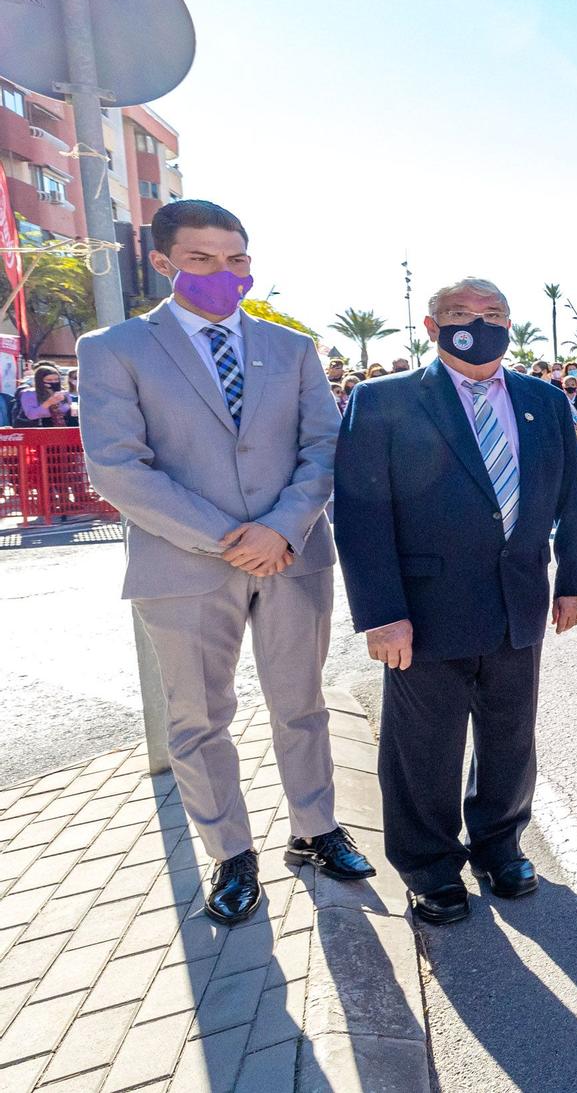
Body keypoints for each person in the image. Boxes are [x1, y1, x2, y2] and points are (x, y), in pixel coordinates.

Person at [77, 199, 373, 925]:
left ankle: (315, 829)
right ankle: (231, 853)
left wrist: (280, 529)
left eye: (235, 258)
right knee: (198, 718)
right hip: (182, 567)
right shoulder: (114, 348)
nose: (223, 272)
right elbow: (117, 466)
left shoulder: (292, 348)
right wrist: (230, 537)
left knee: (300, 703)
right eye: (201, 258)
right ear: (163, 261)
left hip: (292, 555)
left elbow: (324, 448)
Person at [332, 278, 577, 924]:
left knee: (510, 737)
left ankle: (499, 844)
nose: (479, 324)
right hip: (423, 616)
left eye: (494, 314)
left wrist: (576, 580)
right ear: (430, 326)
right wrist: (381, 612)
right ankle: (429, 867)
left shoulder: (543, 401)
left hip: (518, 604)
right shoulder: (383, 401)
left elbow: (572, 497)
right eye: (461, 314)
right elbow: (360, 515)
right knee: (424, 746)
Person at [15, 362, 77, 426]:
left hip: (61, 428)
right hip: (38, 429)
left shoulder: (63, 393)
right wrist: (48, 403)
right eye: (49, 380)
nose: (53, 382)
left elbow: (68, 411)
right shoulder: (29, 393)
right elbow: (31, 415)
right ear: (40, 380)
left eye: (56, 379)